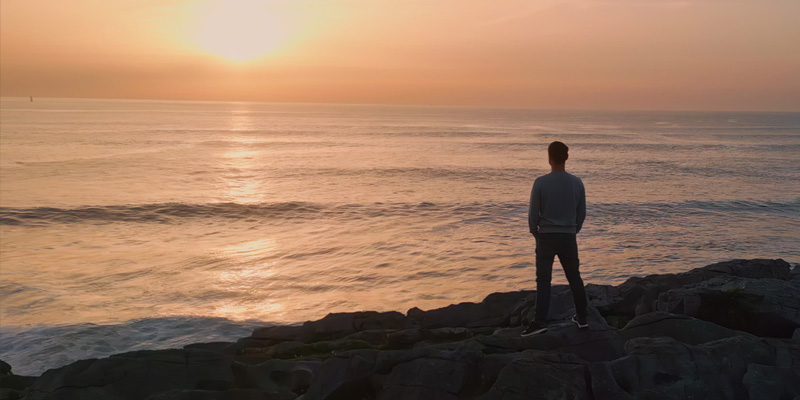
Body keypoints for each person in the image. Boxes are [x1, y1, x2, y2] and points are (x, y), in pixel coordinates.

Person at [522, 141, 588, 336]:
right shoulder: (577, 182)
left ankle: (540, 321)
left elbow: (533, 214)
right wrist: (573, 229)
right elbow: (581, 213)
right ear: (566, 157)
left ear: (549, 158)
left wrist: (536, 232)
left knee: (543, 280)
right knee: (574, 277)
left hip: (546, 237)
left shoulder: (540, 182)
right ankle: (582, 317)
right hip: (568, 236)